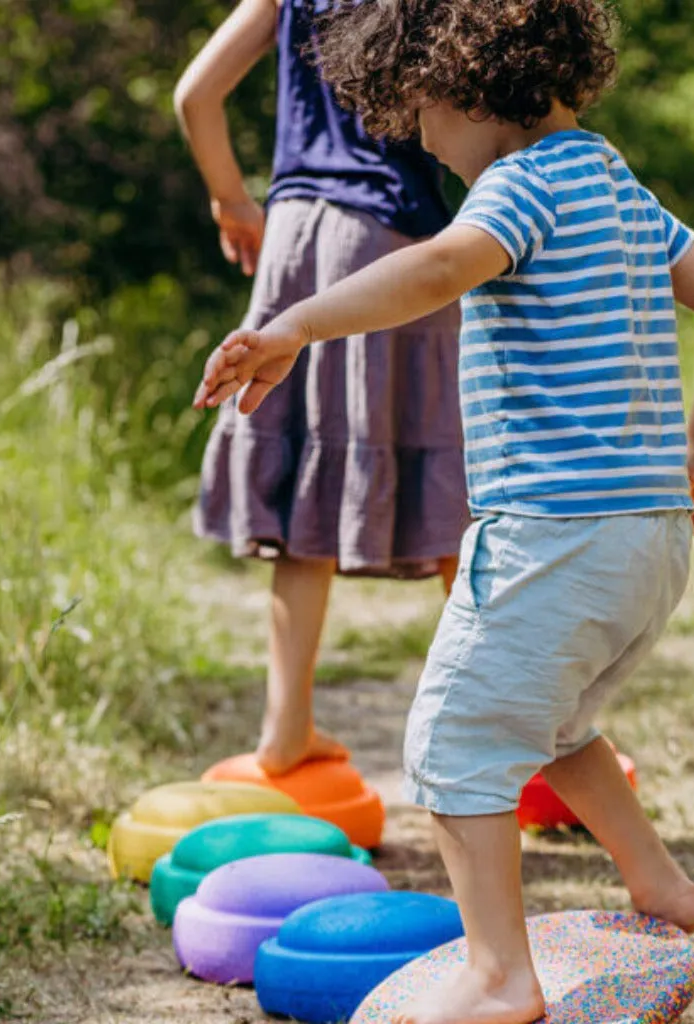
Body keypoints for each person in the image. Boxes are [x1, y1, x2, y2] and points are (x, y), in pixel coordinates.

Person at [194, 1, 694, 1021]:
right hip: (646, 541)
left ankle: (499, 977)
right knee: (553, 721)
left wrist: (293, 325)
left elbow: (441, 267)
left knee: (455, 741)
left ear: (461, 84)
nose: (424, 148)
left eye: (419, 121)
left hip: (552, 532)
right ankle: (658, 883)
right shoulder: (613, 179)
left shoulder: (518, 187)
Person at [174, 0, 469, 776]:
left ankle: (285, 733)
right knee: (452, 489)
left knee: (305, 476)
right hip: (392, 238)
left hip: (294, 229)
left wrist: (232, 198)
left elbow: (194, 96)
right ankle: (528, 726)